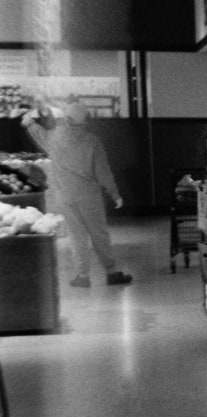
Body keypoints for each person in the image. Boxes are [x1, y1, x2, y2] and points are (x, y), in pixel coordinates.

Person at [23, 101, 132, 287]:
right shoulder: (92, 141)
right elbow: (103, 171)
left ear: (66, 119)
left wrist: (30, 120)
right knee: (99, 233)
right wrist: (115, 194)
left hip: (65, 196)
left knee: (76, 236)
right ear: (86, 120)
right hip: (89, 196)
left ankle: (83, 276)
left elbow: (34, 130)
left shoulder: (53, 137)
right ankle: (111, 272)